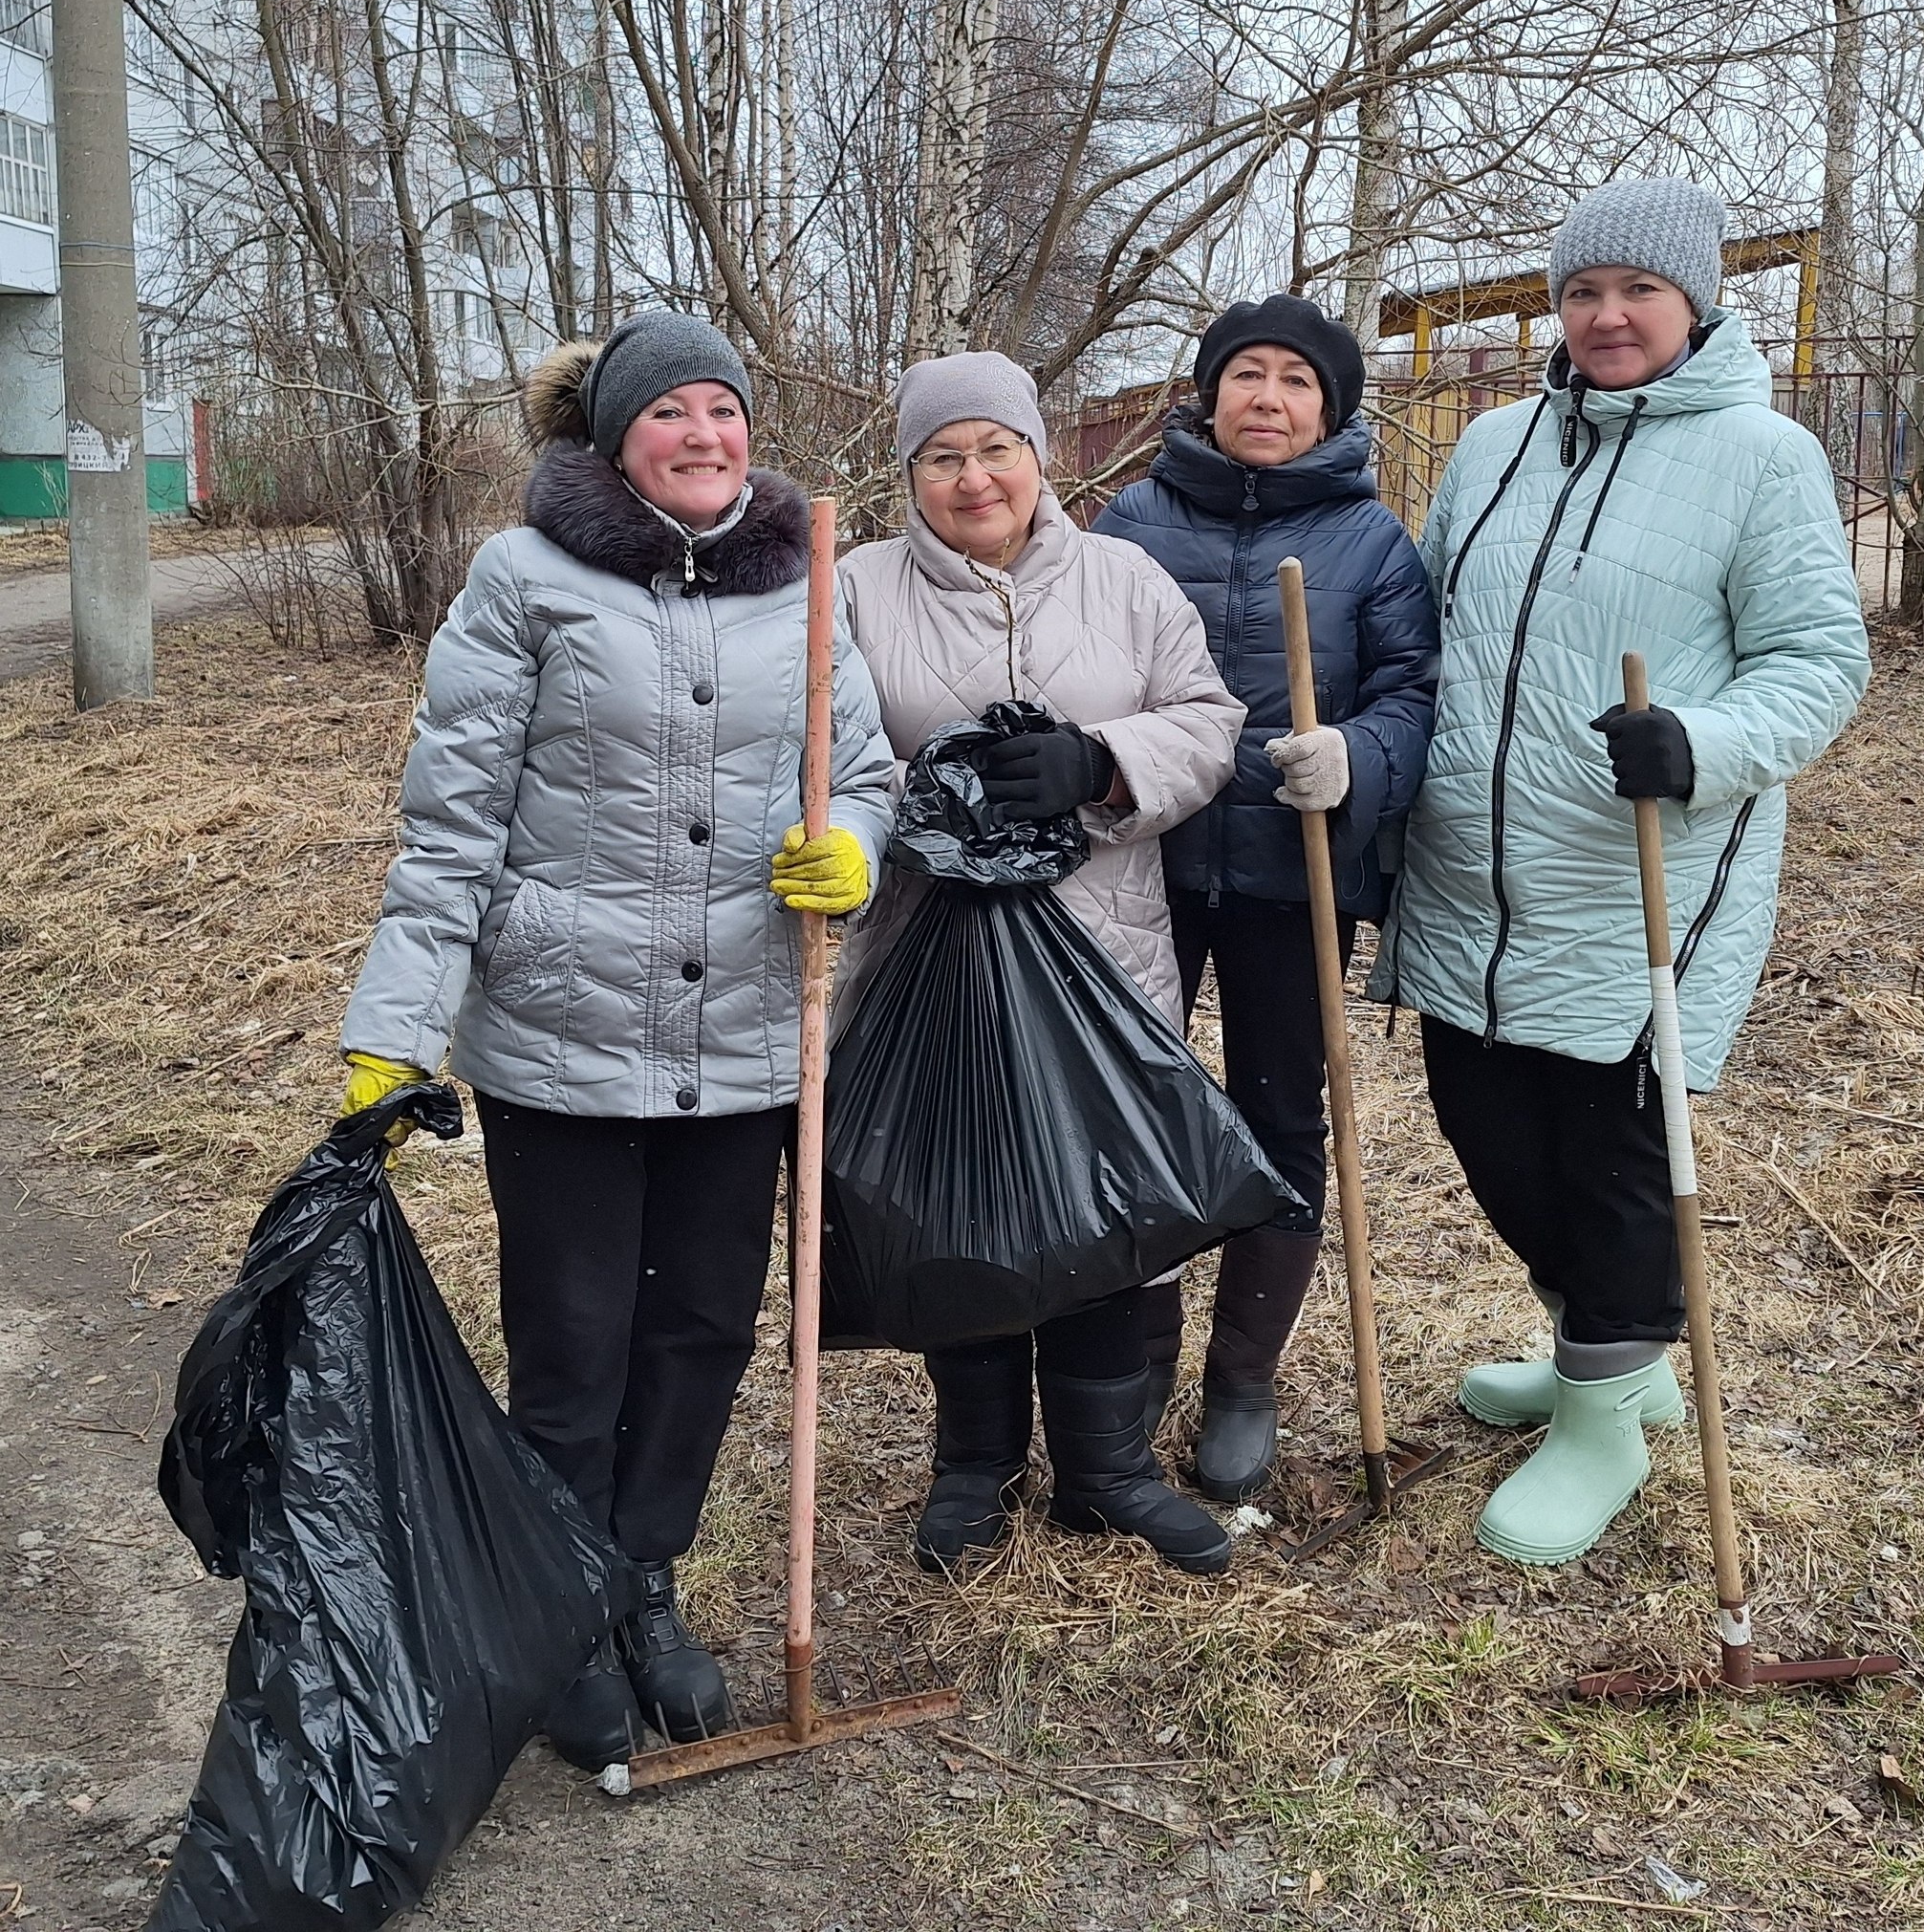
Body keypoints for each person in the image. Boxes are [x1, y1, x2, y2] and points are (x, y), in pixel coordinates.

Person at [336, 310, 897, 1770]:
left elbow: (871, 768)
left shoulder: (810, 579)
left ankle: (645, 1576)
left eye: (723, 411)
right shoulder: (524, 577)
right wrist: (392, 1030)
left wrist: (851, 840)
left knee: (702, 1329)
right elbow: (450, 820)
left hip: (745, 1035)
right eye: (670, 414)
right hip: (559, 1032)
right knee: (575, 1340)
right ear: (611, 436)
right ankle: (563, 1600)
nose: (702, 435)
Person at [1376, 178, 1869, 1569]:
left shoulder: (1762, 458)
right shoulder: (1488, 446)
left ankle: (1602, 1413)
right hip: (1471, 871)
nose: (1604, 316)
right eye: (1581, 290)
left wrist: (1699, 741)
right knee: (1485, 1125)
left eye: (1635, 292)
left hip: (1635, 873)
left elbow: (1819, 666)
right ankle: (1611, 1344)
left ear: (1695, 304)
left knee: (1605, 1151)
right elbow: (1428, 623)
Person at [836, 351, 1247, 1577]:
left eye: (996, 448)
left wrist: (1100, 762)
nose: (974, 477)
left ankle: (1106, 1469)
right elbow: (821, 750)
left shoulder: (1123, 578)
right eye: (943, 456)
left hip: (1105, 952)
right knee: (960, 1202)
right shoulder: (853, 588)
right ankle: (974, 1463)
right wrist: (932, 799)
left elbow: (1209, 720)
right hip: (929, 958)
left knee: (1110, 1201)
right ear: (908, 474)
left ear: (1040, 456)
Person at [1094, 295, 1437, 1501]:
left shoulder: (1372, 541)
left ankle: (1244, 1374)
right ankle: (1129, 1360)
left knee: (1282, 1112)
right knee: (1132, 1103)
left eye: (1298, 381)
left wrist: (1356, 757)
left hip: (1297, 876)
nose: (1269, 399)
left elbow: (1411, 690)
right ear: (1205, 392)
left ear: (1331, 407)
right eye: (1248, 375)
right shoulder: (1128, 525)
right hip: (1143, 864)